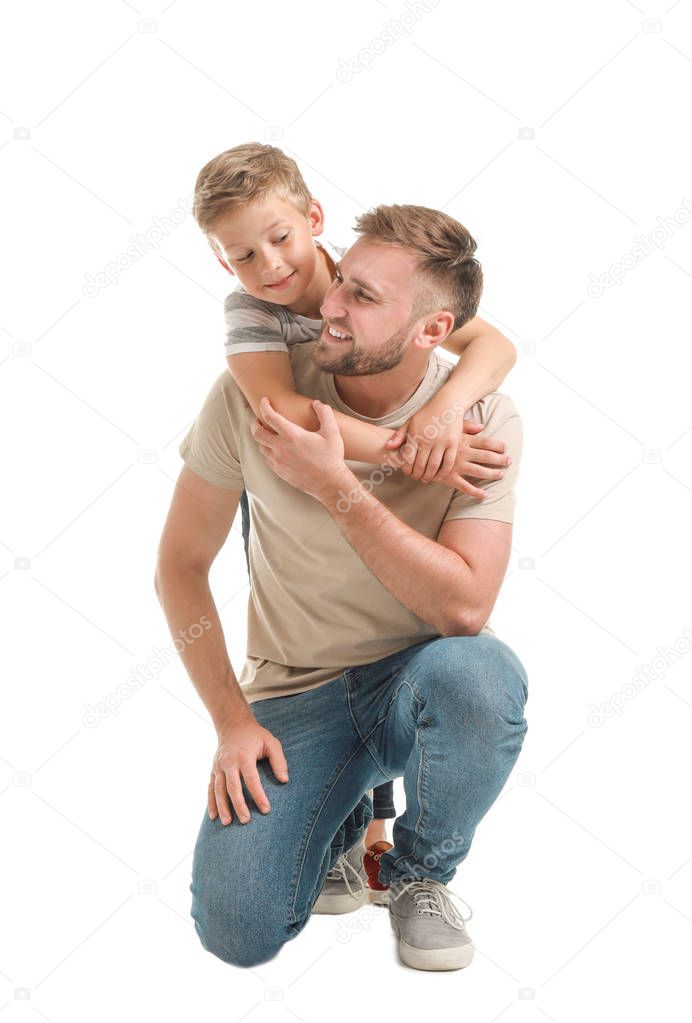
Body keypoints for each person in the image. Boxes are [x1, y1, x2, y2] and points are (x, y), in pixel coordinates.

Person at [154, 202, 528, 972]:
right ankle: (349, 820)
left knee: (480, 676)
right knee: (237, 930)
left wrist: (339, 486)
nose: (325, 302)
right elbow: (179, 566)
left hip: (417, 682)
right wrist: (231, 721)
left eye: (361, 296)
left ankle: (417, 873)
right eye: (341, 280)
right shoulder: (252, 401)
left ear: (432, 330)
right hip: (296, 692)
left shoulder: (483, 419)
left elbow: (464, 606)